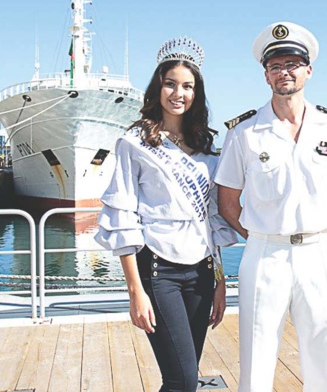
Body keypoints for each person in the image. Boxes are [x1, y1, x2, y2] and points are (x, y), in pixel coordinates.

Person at [215, 22, 327, 391]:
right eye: (276, 65)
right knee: (256, 352)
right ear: (266, 75)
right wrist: (264, 236)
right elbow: (228, 202)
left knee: (321, 349)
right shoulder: (243, 133)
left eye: (293, 63)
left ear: (308, 71)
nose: (285, 72)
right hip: (266, 254)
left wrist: (312, 228)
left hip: (318, 252)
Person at [94, 37, 237, 392]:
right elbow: (122, 216)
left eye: (187, 86)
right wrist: (135, 292)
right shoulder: (134, 142)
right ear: (158, 87)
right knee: (183, 380)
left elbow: (212, 219)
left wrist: (221, 282)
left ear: (196, 93)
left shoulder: (206, 146)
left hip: (202, 271)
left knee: (183, 378)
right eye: (170, 83)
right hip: (159, 272)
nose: (178, 93)